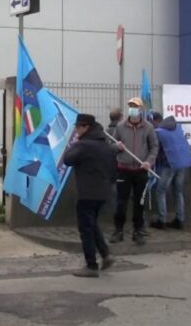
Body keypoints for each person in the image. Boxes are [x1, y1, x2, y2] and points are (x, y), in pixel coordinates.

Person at [63, 114, 117, 278]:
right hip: (103, 192)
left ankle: (91, 265)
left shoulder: (84, 145)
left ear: (86, 127)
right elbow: (114, 170)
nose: (76, 130)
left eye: (78, 127)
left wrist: (71, 146)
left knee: (86, 228)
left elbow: (67, 159)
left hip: (87, 193)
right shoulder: (107, 146)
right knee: (92, 224)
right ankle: (106, 255)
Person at [110, 97, 158, 246]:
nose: (133, 108)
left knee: (139, 202)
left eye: (135, 106)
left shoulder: (148, 127)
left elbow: (154, 147)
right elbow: (111, 144)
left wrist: (149, 162)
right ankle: (118, 230)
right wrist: (116, 147)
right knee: (121, 202)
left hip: (140, 170)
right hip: (123, 169)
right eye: (130, 106)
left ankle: (138, 231)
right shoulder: (120, 127)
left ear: (141, 109)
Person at [149, 112, 191, 230]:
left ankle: (161, 220)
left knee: (160, 191)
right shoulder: (177, 128)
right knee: (178, 192)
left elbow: (156, 150)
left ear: (154, 121)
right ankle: (180, 219)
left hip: (169, 164)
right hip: (182, 163)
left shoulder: (159, 132)